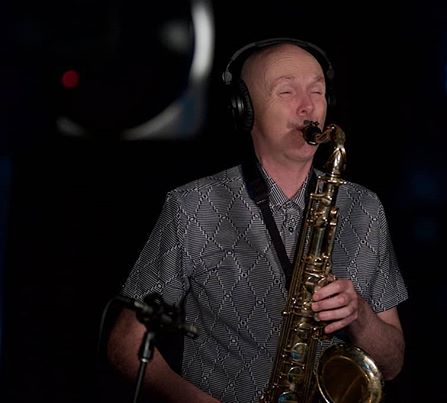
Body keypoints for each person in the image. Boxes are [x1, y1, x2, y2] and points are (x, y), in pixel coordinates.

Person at [106, 37, 408, 403]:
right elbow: (125, 344)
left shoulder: (364, 207)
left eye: (318, 91)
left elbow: (391, 364)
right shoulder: (194, 205)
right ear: (244, 110)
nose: (308, 106)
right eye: (286, 92)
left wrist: (360, 314)